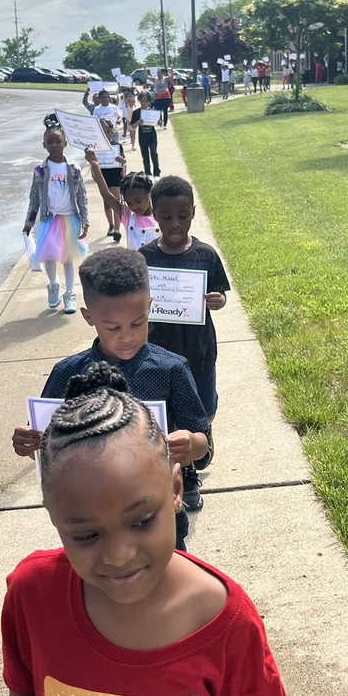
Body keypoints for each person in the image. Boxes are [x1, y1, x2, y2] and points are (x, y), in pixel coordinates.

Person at [3, 360, 301, 696]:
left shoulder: (223, 620)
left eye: (142, 521)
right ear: (54, 516)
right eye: (86, 534)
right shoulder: (31, 594)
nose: (119, 555)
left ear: (177, 488)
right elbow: (20, 683)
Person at [10, 248, 213, 550]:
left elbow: (204, 446)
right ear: (89, 317)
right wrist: (27, 444)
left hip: (157, 516)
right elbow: (42, 443)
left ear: (150, 307)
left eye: (137, 322)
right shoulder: (68, 373)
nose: (127, 336)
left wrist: (190, 444)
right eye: (113, 327)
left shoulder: (171, 369)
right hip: (90, 522)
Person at [140, 176, 229, 512]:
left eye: (182, 215)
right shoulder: (144, 257)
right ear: (154, 214)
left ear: (193, 212)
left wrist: (217, 301)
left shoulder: (205, 256)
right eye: (166, 217)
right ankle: (186, 475)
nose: (175, 223)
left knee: (204, 410)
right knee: (171, 417)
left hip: (200, 353)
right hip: (159, 355)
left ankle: (202, 436)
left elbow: (219, 294)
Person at [23, 127, 89, 313]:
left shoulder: (74, 170)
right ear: (44, 145)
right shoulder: (40, 171)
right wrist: (29, 223)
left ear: (65, 143)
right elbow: (34, 199)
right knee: (49, 256)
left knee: (68, 258)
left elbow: (82, 197)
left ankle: (69, 294)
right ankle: (53, 284)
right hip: (48, 220)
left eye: (57, 141)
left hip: (70, 219)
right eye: (50, 142)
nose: (54, 145)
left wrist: (85, 220)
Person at [84, 158, 161, 251]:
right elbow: (107, 196)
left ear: (149, 194)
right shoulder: (128, 216)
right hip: (135, 264)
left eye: (138, 201)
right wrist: (95, 166)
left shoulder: (161, 216)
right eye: (129, 203)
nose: (134, 207)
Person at [91, 116, 126, 239]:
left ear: (111, 132)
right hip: (103, 176)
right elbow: (92, 164)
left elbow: (124, 160)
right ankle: (110, 225)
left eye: (107, 131)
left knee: (115, 201)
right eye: (101, 132)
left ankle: (117, 229)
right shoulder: (94, 148)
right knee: (106, 203)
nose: (105, 134)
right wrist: (94, 174)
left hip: (115, 175)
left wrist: (122, 160)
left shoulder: (117, 146)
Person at [132, 90, 161, 177]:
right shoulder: (136, 112)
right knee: (145, 156)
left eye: (146, 101)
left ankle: (156, 173)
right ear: (139, 101)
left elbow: (160, 123)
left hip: (152, 136)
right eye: (142, 101)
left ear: (149, 101)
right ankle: (147, 172)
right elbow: (132, 126)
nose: (144, 103)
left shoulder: (153, 111)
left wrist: (159, 122)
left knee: (154, 154)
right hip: (142, 136)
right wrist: (138, 123)